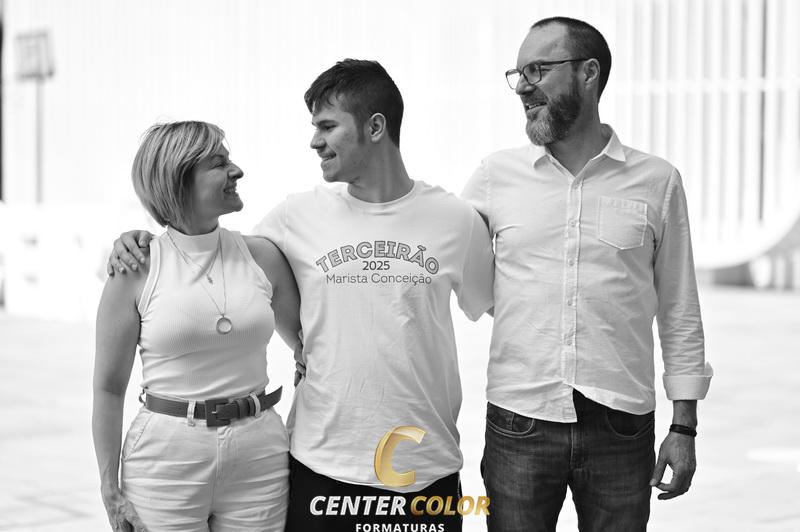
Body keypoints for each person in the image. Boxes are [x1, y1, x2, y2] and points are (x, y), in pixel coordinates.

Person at [108, 60, 495, 531]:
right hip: (321, 465)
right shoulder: (294, 217)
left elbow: (497, 307)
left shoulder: (455, 220)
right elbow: (203, 247)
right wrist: (140, 239)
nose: (315, 141)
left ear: (375, 127)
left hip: (424, 466)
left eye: (328, 127)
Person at [462, 17, 713, 532]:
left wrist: (684, 426)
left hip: (622, 425)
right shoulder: (494, 177)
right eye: (518, 74)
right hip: (519, 420)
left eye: (537, 70)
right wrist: (525, 311)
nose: (522, 87)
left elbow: (679, 306)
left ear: (588, 73)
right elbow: (460, 270)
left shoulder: (657, 181)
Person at [93, 121, 300, 532]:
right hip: (165, 461)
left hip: (259, 456)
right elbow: (108, 387)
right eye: (219, 163)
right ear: (178, 180)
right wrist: (109, 487)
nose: (236, 170)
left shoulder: (262, 257)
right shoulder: (136, 268)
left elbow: (309, 349)